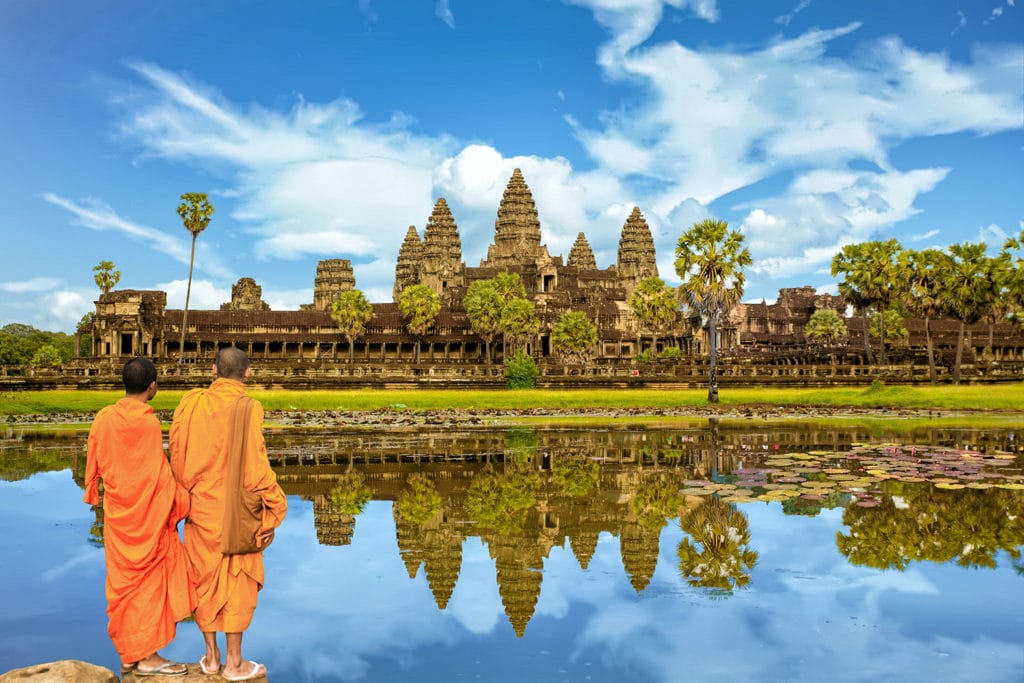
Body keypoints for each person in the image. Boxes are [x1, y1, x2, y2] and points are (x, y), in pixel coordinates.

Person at [169, 347, 287, 681]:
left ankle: (210, 656)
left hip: (200, 506)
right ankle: (234, 662)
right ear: (247, 374)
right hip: (237, 513)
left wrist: (184, 494)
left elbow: (177, 453)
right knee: (237, 578)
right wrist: (276, 507)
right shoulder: (248, 407)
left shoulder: (191, 403)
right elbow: (256, 466)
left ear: (213, 370)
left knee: (203, 577)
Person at [83, 357, 195, 676]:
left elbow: (97, 462)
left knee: (125, 586)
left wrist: (96, 489)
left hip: (119, 517)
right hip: (146, 519)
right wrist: (182, 499)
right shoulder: (146, 422)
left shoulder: (104, 418)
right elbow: (156, 476)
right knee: (148, 586)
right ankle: (146, 656)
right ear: (153, 386)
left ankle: (132, 653)